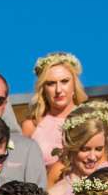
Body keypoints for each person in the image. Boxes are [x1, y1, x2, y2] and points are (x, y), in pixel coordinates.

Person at [24, 52, 85, 181]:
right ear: (43, 88)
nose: (58, 90)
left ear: (74, 84)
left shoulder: (91, 120)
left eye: (64, 81)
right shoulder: (32, 125)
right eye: (51, 83)